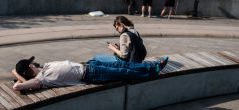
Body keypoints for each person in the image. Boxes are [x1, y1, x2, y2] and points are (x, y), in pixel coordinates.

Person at [12, 56, 169, 91]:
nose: (33, 62)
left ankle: (150, 66)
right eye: (30, 63)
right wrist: (17, 76)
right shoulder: (41, 79)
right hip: (90, 75)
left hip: (89, 66)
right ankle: (152, 72)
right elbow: (17, 88)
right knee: (123, 72)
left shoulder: (45, 67)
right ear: (29, 68)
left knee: (122, 64)